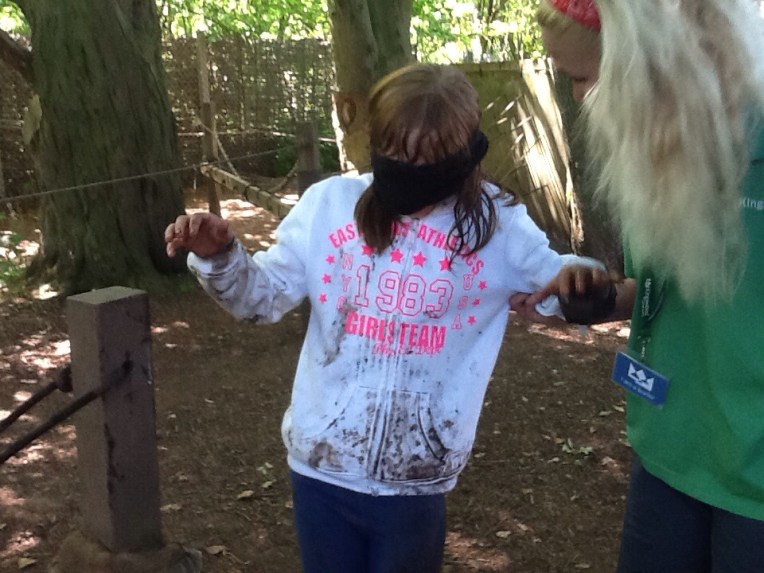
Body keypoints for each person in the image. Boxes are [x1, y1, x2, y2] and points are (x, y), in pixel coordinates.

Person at [165, 63, 604, 573]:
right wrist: (220, 257)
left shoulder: (496, 225)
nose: (407, 172)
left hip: (416, 479)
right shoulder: (329, 205)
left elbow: (558, 284)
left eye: (427, 162)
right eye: (394, 154)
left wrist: (582, 279)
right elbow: (261, 299)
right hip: (321, 467)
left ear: (465, 154)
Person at [512, 1, 764, 571]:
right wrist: (601, 297)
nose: (579, 97)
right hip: (669, 450)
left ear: (650, 64)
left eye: (585, 77)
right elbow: (660, 291)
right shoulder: (659, 150)